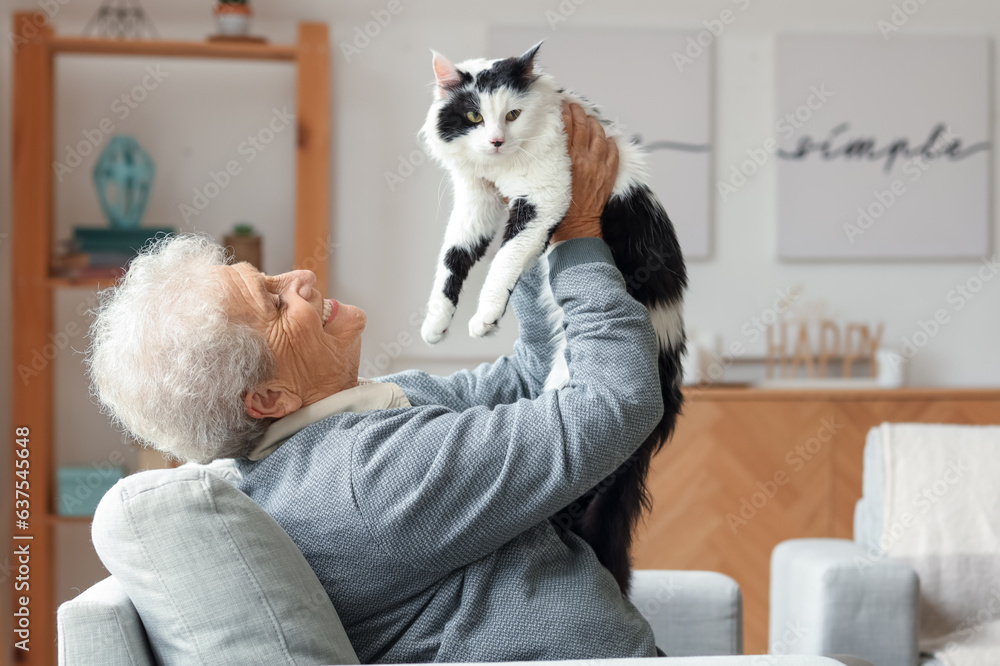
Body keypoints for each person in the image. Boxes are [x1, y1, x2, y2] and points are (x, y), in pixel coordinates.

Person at [87, 103, 664, 662]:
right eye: (273, 299)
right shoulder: (366, 478)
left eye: (269, 275)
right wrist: (579, 234)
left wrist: (531, 227)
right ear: (268, 398)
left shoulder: (349, 420)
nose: (302, 277)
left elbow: (529, 379)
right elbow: (615, 405)